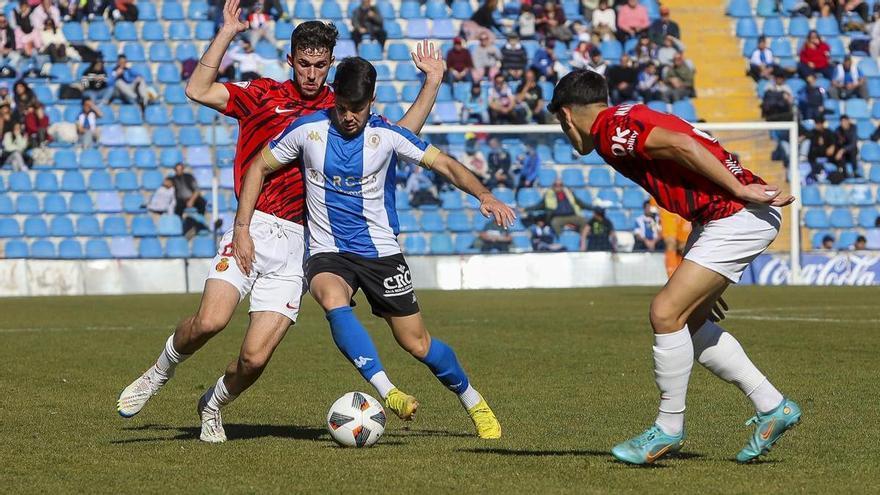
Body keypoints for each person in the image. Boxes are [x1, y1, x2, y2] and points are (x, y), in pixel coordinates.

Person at [116, 0, 445, 443]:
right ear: (291, 60)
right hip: (251, 226)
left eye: (320, 65)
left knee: (254, 359)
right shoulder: (262, 94)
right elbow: (197, 89)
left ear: (329, 65)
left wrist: (432, 83)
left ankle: (212, 404)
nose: (312, 74)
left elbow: (398, 137)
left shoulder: (340, 109)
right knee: (210, 321)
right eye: (305, 64)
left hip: (300, 244)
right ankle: (159, 372)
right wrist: (227, 33)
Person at [234, 56, 514, 438]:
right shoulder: (307, 130)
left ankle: (473, 400)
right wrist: (242, 227)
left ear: (373, 100)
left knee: (417, 343)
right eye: (343, 108)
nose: (349, 116)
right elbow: (258, 166)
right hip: (327, 250)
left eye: (358, 109)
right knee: (330, 297)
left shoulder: (388, 136)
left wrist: (484, 194)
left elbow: (445, 164)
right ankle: (389, 392)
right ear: (334, 100)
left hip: (381, 253)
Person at [549, 69, 800, 465]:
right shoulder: (624, 117)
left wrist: (738, 189)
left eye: (561, 125)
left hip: (736, 212)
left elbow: (683, 144)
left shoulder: (610, 133)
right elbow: (684, 164)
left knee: (665, 312)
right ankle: (773, 406)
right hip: (721, 217)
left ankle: (667, 429)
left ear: (565, 115)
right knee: (690, 320)